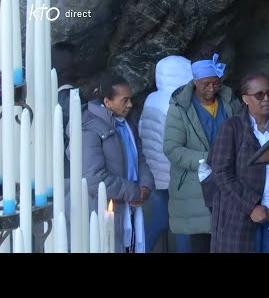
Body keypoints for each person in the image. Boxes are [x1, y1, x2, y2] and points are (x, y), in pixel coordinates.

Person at [163, 45, 242, 253]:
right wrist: (210, 158)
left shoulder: (229, 101)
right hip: (195, 187)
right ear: (194, 81)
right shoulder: (180, 106)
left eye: (216, 83)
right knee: (201, 243)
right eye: (205, 84)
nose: (211, 89)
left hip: (230, 182)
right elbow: (172, 149)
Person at [208, 72, 269, 253]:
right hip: (239, 217)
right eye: (259, 95)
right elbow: (221, 173)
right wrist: (251, 206)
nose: (266, 99)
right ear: (246, 99)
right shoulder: (232, 127)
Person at [80, 73, 155, 253]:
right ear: (107, 102)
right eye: (125, 100)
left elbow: (140, 156)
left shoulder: (127, 122)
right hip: (104, 208)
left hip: (130, 206)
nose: (130, 104)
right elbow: (94, 179)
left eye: (130, 99)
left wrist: (146, 185)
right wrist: (134, 191)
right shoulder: (89, 130)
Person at [139, 55, 193, 253]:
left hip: (155, 173)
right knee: (182, 224)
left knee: (159, 219)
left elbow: (142, 129)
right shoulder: (178, 103)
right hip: (176, 173)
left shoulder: (151, 99)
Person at [51, 42, 78, 179]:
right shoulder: (70, 99)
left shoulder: (47, 97)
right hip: (68, 171)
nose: (78, 69)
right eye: (74, 66)